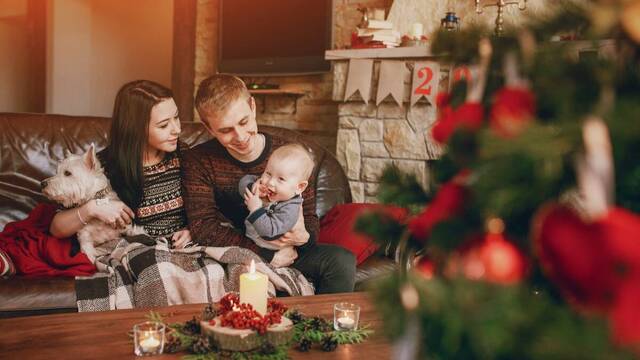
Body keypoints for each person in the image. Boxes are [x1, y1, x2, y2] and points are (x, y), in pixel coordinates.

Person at [182, 74, 356, 294]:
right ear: (209, 128)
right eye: (226, 130)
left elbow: (310, 218)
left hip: (288, 248)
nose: (240, 136)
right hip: (237, 250)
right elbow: (204, 228)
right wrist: (266, 256)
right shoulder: (199, 160)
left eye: (244, 122)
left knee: (341, 260)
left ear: (252, 106)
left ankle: (327, 328)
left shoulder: (290, 156)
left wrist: (304, 237)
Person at [49, 80, 191, 249]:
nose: (177, 129)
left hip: (183, 249)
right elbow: (56, 228)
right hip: (137, 251)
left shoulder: (183, 153)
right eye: (164, 125)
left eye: (176, 117)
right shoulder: (104, 167)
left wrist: (192, 229)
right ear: (135, 128)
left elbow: (209, 209)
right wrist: (92, 209)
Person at [239, 143, 314, 267]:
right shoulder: (267, 187)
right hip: (250, 242)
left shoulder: (290, 209)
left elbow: (269, 231)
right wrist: (253, 187)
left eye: (281, 179)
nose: (270, 182)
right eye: (268, 173)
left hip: (273, 251)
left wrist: (256, 209)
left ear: (299, 187)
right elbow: (243, 182)